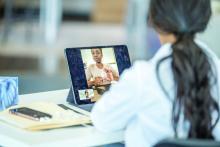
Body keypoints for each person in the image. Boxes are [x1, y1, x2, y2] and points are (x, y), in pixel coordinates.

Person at [91, 0, 220, 146]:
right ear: (205, 17)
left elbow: (102, 120)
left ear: (154, 20)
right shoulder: (216, 68)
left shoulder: (142, 76)